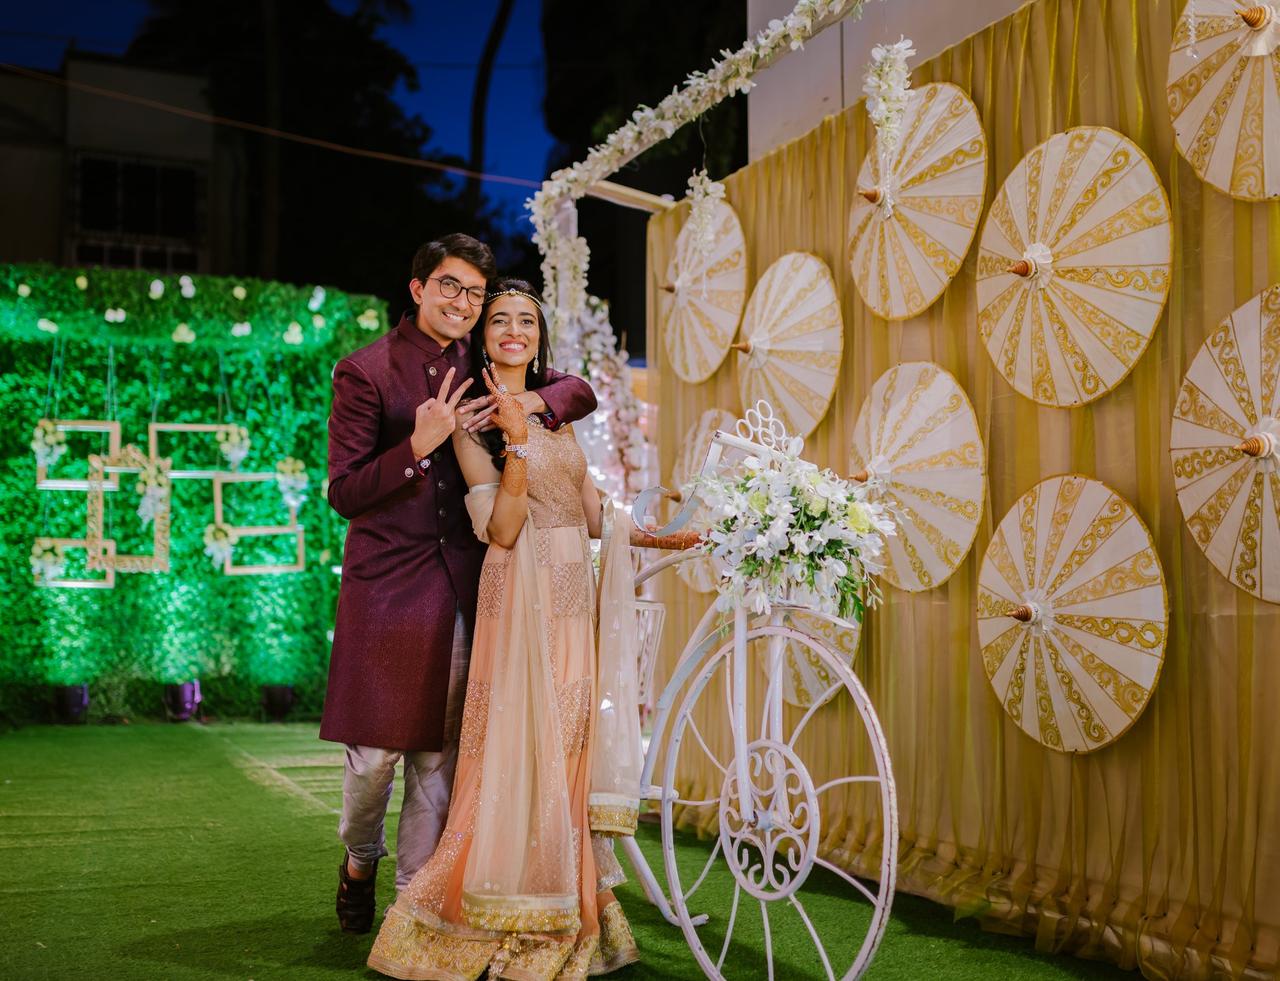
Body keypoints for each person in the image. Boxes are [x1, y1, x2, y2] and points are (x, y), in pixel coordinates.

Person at [366, 280, 698, 980]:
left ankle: (565, 898)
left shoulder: (562, 416)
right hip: (518, 595)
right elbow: (502, 527)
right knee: (515, 748)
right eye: (500, 320)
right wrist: (514, 442)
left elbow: (594, 510)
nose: (513, 329)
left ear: (538, 337)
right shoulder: (471, 421)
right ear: (483, 337)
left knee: (567, 747)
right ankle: (496, 900)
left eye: (525, 320)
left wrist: (666, 539)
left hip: (573, 594)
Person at [321, 237, 599, 934]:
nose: (465, 304)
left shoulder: (483, 369)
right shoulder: (366, 372)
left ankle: (413, 904)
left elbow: (577, 390)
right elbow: (344, 490)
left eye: (475, 294)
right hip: (389, 588)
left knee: (439, 755)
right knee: (376, 757)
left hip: (471, 584)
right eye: (451, 288)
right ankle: (360, 857)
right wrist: (417, 444)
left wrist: (526, 400)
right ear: (417, 289)